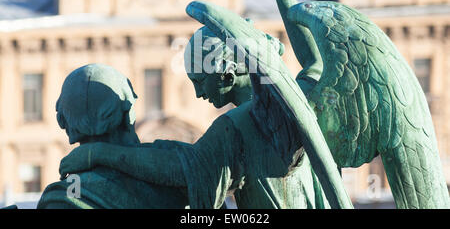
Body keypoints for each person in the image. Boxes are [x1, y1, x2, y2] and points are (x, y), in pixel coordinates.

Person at [59, 28, 330, 209]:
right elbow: (316, 65)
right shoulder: (294, 102)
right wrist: (288, 3)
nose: (199, 93)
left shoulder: (236, 126)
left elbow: (189, 168)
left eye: (200, 80)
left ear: (226, 74)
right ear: (127, 112)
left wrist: (98, 154)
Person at [37, 64, 189, 209]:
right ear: (127, 114)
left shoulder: (63, 195)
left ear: (64, 122)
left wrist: (95, 154)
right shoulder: (175, 175)